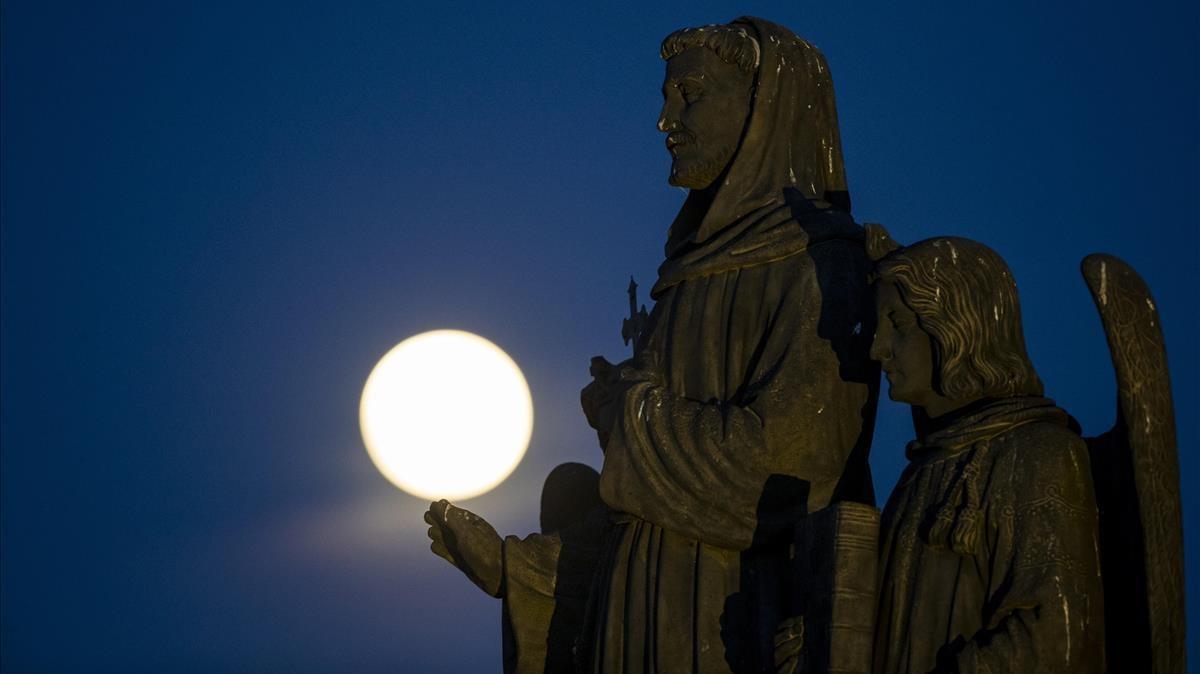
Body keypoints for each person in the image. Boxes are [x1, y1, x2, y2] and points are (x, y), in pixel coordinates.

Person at [427, 17, 879, 672]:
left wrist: (630, 412)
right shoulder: (689, 273)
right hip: (638, 612)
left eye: (690, 96)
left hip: (731, 617)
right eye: (668, 99)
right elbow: (642, 507)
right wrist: (514, 563)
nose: (666, 121)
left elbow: (789, 469)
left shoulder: (818, 265)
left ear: (761, 112)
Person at [865, 225, 1105, 673]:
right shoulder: (924, 472)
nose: (877, 348)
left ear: (958, 326)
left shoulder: (1040, 453)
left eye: (897, 323)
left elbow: (1056, 638)